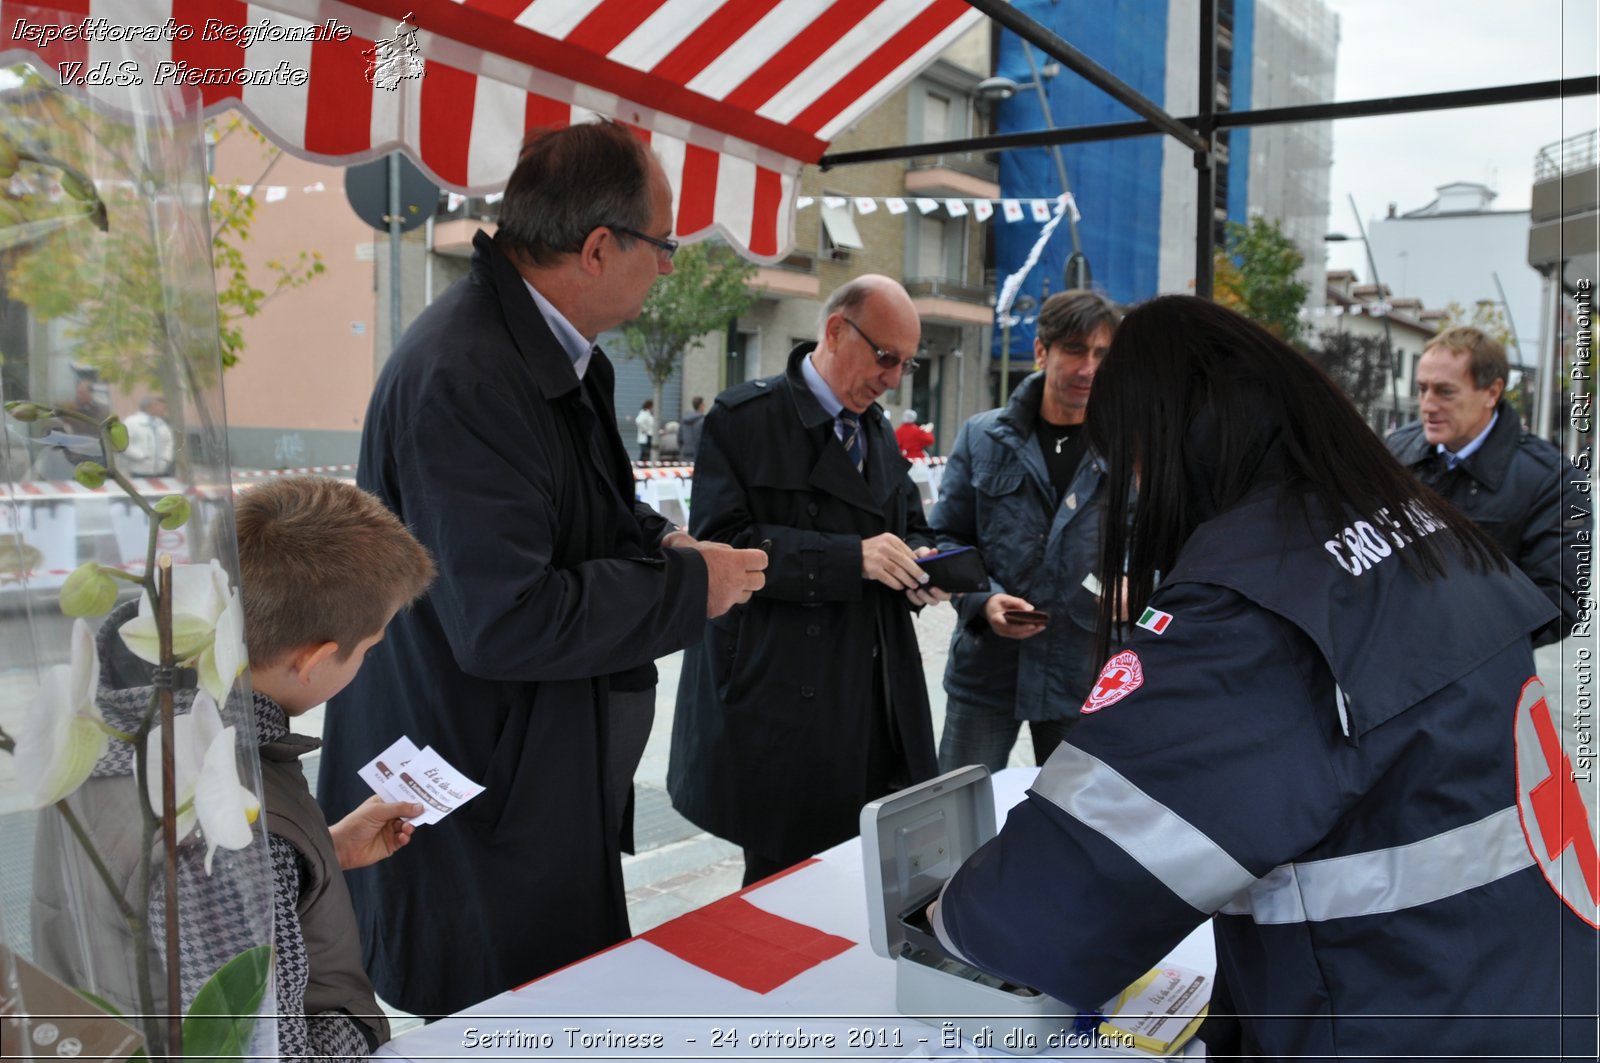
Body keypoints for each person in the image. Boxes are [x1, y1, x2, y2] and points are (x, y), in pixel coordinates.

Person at [931, 296, 1596, 1061]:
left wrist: (945, 921)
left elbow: (1054, 897)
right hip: (1533, 979)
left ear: (1177, 444)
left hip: (1389, 1011)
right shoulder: (1427, 525)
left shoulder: (1253, 602)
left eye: (1134, 463)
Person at [316, 119, 767, 1019]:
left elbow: (578, 510)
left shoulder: (545, 351)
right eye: (664, 244)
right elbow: (506, 613)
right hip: (480, 793)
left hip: (532, 775)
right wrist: (690, 587)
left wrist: (662, 543)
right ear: (599, 248)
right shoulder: (471, 373)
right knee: (510, 1018)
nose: (670, 266)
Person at [34, 476, 434, 1060]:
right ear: (315, 659)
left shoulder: (105, 725)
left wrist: (320, 854)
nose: (367, 660)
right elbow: (259, 1048)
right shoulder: (226, 827)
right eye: (369, 648)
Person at [670, 274, 946, 887]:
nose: (894, 378)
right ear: (835, 330)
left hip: (870, 692)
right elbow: (722, 546)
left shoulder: (874, 427)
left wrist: (925, 568)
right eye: (885, 357)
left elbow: (904, 526)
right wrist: (854, 558)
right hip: (782, 695)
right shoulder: (744, 417)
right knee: (781, 886)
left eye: (908, 363)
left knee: (861, 876)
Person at [929, 290, 1117, 771]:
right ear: (1041, 351)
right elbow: (947, 540)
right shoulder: (982, 437)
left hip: (1084, 677)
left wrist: (1135, 583)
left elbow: (1161, 546)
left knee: (1076, 831)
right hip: (988, 674)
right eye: (1075, 349)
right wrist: (983, 601)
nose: (1088, 368)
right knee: (960, 827)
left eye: (1101, 354)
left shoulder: (1130, 449)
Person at [1386, 325, 1582, 645]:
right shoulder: (1395, 451)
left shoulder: (1553, 480)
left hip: (1485, 682)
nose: (1427, 405)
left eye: (1445, 391)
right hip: (1396, 672)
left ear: (1492, 392)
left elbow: (1558, 604)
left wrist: (1448, 636)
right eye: (1422, 389)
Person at [122, 394, 176, 477]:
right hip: (139, 471)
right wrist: (140, 456)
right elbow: (123, 444)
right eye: (161, 407)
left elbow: (169, 442)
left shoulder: (161, 423)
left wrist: (166, 458)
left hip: (161, 470)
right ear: (150, 406)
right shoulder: (131, 422)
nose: (164, 410)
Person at [678, 395, 705, 462]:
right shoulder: (703, 421)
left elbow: (679, 438)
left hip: (685, 452)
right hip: (698, 453)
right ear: (701, 405)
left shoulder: (684, 421)